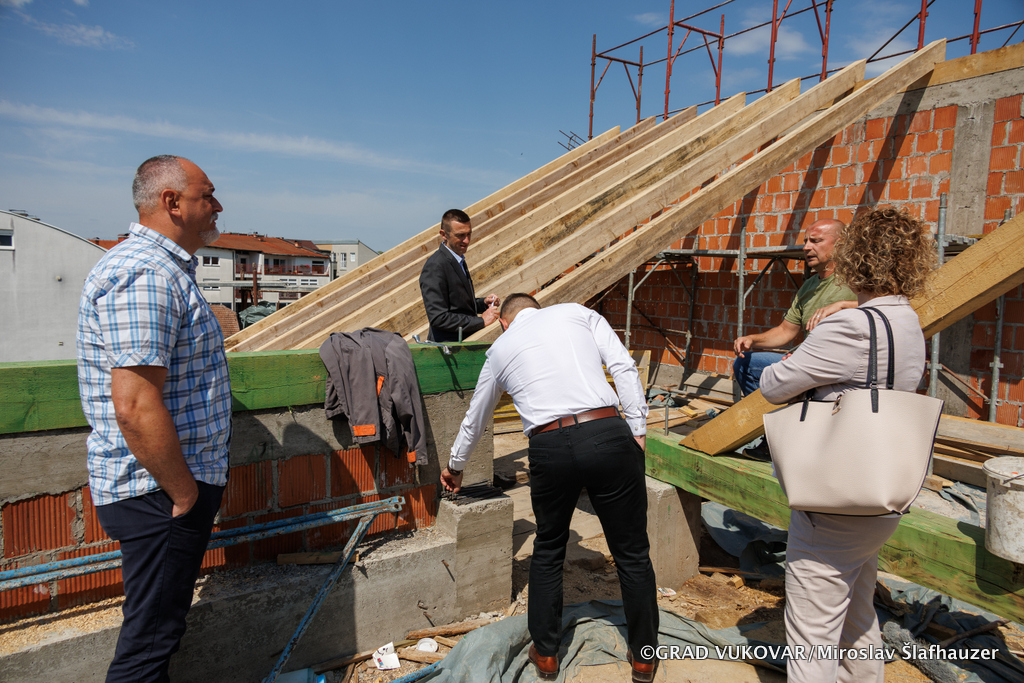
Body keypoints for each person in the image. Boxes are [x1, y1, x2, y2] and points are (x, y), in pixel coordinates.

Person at [441, 294, 659, 682]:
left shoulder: (499, 349)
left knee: (548, 550)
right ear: (537, 310)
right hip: (606, 431)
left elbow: (476, 417)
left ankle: (546, 655)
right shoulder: (577, 313)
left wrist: (455, 466)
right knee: (631, 552)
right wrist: (638, 428)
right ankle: (644, 657)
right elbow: (623, 366)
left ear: (504, 322)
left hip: (548, 446)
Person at [759, 207, 935, 683]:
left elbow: (774, 384)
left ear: (856, 257)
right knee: (857, 614)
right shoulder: (906, 321)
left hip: (834, 499)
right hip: (883, 489)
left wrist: (806, 346)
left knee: (811, 634)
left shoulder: (849, 327)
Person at [77, 155, 232, 682]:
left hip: (162, 488)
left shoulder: (162, 270)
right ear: (172, 202)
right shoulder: (146, 273)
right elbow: (135, 405)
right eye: (207, 195)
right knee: (148, 645)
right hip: (159, 492)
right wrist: (185, 495)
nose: (217, 206)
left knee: (158, 633)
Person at [732, 218, 858, 460]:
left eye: (816, 241)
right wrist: (752, 339)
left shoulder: (857, 279)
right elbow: (786, 331)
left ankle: (796, 435)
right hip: (807, 362)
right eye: (805, 241)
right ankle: (776, 435)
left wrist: (843, 305)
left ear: (841, 243)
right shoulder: (809, 286)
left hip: (840, 368)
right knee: (746, 363)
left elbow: (887, 306)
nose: (806, 247)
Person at [419, 208, 501, 342]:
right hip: (449, 349)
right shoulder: (435, 266)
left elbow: (458, 306)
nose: (466, 240)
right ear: (443, 234)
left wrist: (482, 303)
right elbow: (438, 318)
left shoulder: (457, 260)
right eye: (460, 235)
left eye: (469, 234)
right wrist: (481, 321)